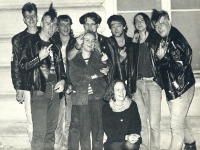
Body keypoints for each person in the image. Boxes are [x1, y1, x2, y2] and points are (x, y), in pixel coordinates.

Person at [19, 3, 66, 150]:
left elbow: (62, 69)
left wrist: (64, 80)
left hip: (55, 92)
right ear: (41, 23)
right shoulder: (29, 42)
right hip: (39, 91)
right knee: (39, 133)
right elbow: (23, 66)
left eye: (54, 25)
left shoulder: (56, 45)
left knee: (50, 133)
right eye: (48, 24)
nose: (51, 27)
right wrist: (38, 57)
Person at [151, 9, 196, 150]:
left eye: (162, 24)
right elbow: (162, 66)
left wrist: (162, 58)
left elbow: (178, 68)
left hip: (181, 88)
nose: (159, 28)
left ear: (169, 22)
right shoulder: (165, 38)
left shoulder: (176, 41)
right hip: (174, 87)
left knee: (175, 126)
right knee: (181, 121)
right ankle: (191, 145)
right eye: (156, 26)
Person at [68, 30, 108, 150]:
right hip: (82, 99)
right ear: (81, 42)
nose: (90, 43)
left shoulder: (99, 57)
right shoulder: (74, 59)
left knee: (98, 131)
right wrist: (94, 75)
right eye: (87, 40)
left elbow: (104, 74)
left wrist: (104, 66)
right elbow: (75, 79)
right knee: (84, 132)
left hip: (97, 98)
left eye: (93, 40)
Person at [131, 13, 163, 150]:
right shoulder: (134, 41)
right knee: (141, 121)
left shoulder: (156, 38)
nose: (139, 23)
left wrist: (157, 79)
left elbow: (163, 61)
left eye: (142, 20)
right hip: (138, 85)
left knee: (154, 123)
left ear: (147, 22)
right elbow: (131, 64)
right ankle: (144, 147)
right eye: (136, 21)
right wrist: (132, 45)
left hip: (153, 84)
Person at [11, 2, 40, 142]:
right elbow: (16, 64)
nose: (31, 19)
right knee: (31, 118)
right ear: (24, 19)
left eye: (33, 15)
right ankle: (33, 145)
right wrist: (18, 88)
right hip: (28, 84)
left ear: (37, 16)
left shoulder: (45, 34)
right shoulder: (18, 39)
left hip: (46, 83)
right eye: (28, 16)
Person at [67, 12, 115, 84]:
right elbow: (68, 59)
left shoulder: (106, 41)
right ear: (83, 25)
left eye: (92, 24)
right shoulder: (75, 40)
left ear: (98, 25)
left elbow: (113, 62)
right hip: (82, 84)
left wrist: (108, 68)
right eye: (87, 24)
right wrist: (77, 46)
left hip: (103, 83)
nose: (89, 27)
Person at [52, 15, 76, 150]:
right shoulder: (52, 42)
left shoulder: (75, 42)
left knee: (70, 118)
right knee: (57, 118)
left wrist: (72, 83)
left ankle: (66, 146)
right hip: (57, 84)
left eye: (68, 24)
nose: (65, 27)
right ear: (57, 27)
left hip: (71, 84)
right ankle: (57, 145)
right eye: (62, 24)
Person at [102, 80, 141, 150]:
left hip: (130, 140)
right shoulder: (106, 107)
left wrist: (132, 137)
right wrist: (126, 137)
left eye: (123, 89)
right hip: (114, 142)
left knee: (130, 145)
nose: (121, 92)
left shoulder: (132, 105)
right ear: (112, 92)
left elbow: (136, 126)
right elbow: (109, 131)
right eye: (118, 90)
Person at [106, 14, 134, 97]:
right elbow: (106, 66)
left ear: (124, 26)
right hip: (114, 84)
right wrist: (120, 59)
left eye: (118, 26)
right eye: (113, 26)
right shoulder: (107, 43)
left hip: (131, 82)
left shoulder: (132, 42)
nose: (116, 29)